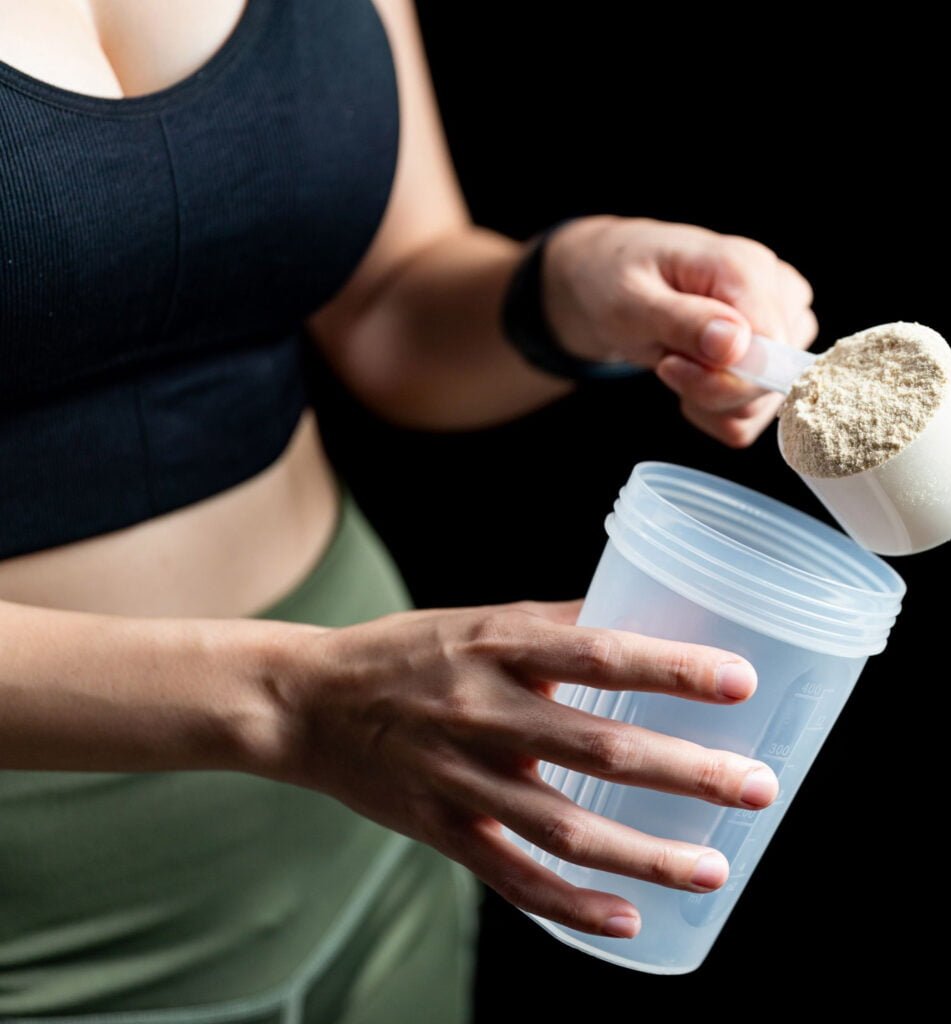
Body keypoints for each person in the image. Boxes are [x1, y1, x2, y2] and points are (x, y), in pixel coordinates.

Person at [0, 0, 816, 1020]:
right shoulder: (317, 707)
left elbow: (389, 303)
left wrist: (563, 289)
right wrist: (289, 702)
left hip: (379, 786)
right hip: (42, 898)